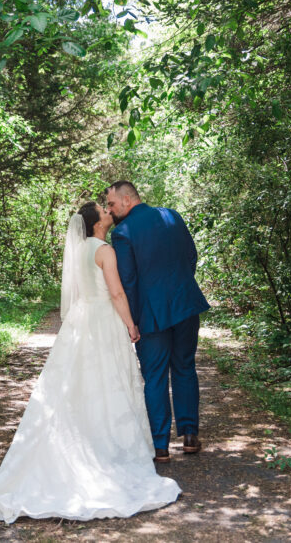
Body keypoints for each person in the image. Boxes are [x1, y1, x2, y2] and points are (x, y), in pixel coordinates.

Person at [0, 202, 181, 524]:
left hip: (81, 319)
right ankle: (106, 449)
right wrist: (131, 324)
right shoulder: (104, 250)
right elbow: (116, 294)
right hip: (103, 320)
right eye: (103, 209)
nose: (108, 211)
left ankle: (80, 442)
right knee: (107, 381)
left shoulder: (81, 248)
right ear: (96, 222)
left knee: (79, 385)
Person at [105, 181, 210, 464]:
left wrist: (133, 321)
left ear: (127, 200)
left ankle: (160, 445)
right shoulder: (172, 216)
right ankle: (189, 436)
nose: (109, 210)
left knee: (155, 376)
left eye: (112, 204)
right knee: (185, 367)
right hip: (185, 304)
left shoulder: (123, 232)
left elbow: (128, 280)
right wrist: (179, 288)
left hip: (151, 314)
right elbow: (191, 257)